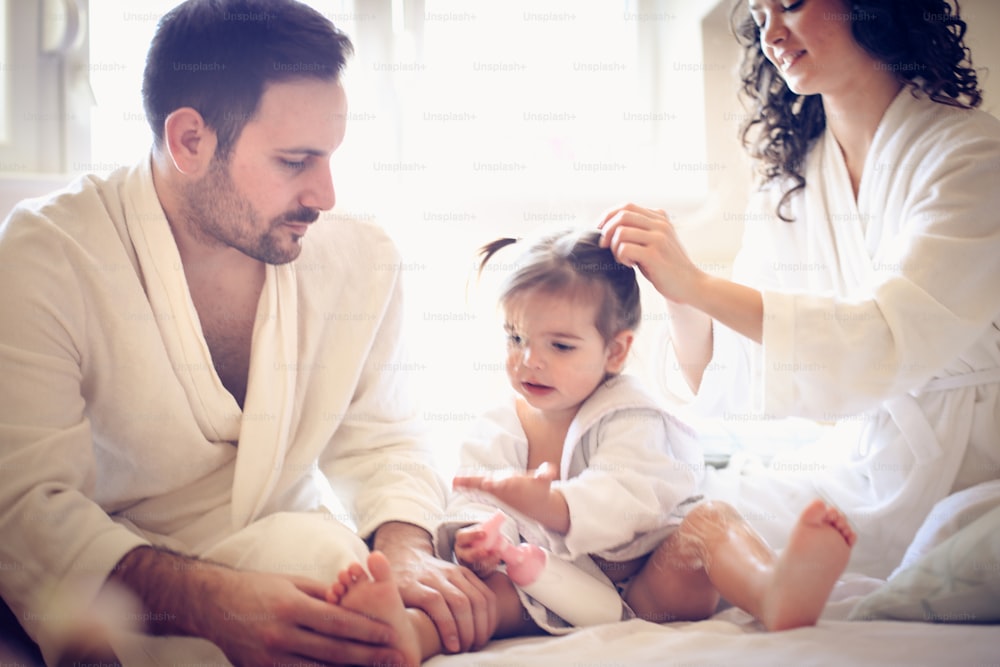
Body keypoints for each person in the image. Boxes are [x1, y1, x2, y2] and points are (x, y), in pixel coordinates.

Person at [0, 1, 493, 665]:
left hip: (286, 552)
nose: (326, 193)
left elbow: (386, 440)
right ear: (190, 142)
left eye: (330, 157)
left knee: (328, 562)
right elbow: (28, 506)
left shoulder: (361, 257)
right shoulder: (46, 253)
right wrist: (212, 603)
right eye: (296, 160)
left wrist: (404, 550)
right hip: (121, 576)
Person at [322, 230, 857, 665]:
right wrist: (476, 539)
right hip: (548, 585)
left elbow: (630, 495)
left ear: (616, 350)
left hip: (652, 579)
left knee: (711, 524)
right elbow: (471, 490)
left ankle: (772, 589)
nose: (529, 360)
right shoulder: (499, 418)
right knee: (473, 598)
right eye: (515, 338)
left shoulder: (632, 413)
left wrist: (552, 505)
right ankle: (408, 635)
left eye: (559, 345)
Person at [598, 0, 1000, 579]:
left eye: (790, 5)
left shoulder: (971, 159)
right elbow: (740, 365)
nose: (773, 35)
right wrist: (677, 291)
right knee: (672, 516)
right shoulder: (794, 187)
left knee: (944, 557)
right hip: (867, 466)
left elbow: (882, 338)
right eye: (760, 18)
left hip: (974, 469)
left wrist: (700, 282)